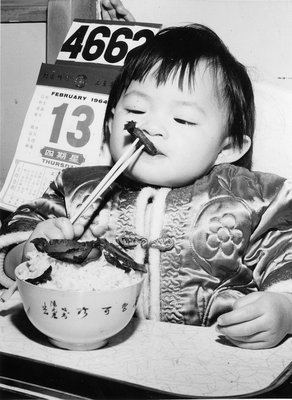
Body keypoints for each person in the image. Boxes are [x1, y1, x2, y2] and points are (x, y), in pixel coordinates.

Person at [1, 24, 292, 350]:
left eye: (183, 119)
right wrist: (24, 252)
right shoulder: (75, 189)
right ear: (111, 124)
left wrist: (284, 309)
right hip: (89, 359)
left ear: (228, 146)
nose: (151, 126)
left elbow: (286, 257)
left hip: (210, 364)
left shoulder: (253, 199)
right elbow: (12, 241)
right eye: (136, 111)